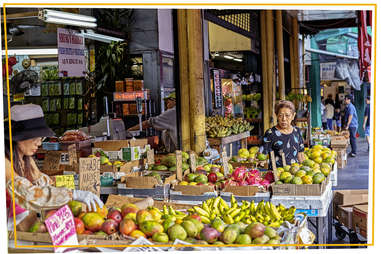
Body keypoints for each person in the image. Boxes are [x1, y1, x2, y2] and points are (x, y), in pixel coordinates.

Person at [5, 104, 104, 231]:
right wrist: (72, 194)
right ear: (18, 137)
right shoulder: (4, 162)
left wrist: (69, 189)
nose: (39, 143)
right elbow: (28, 193)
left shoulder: (25, 158)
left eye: (41, 138)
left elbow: (41, 181)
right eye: (35, 137)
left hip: (21, 224)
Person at [261, 100, 305, 168]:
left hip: (295, 174)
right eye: (280, 115)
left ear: (293, 116)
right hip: (277, 175)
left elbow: (300, 154)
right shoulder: (270, 133)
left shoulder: (297, 131)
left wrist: (304, 170)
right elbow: (262, 155)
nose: (284, 119)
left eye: (287, 115)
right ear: (276, 116)